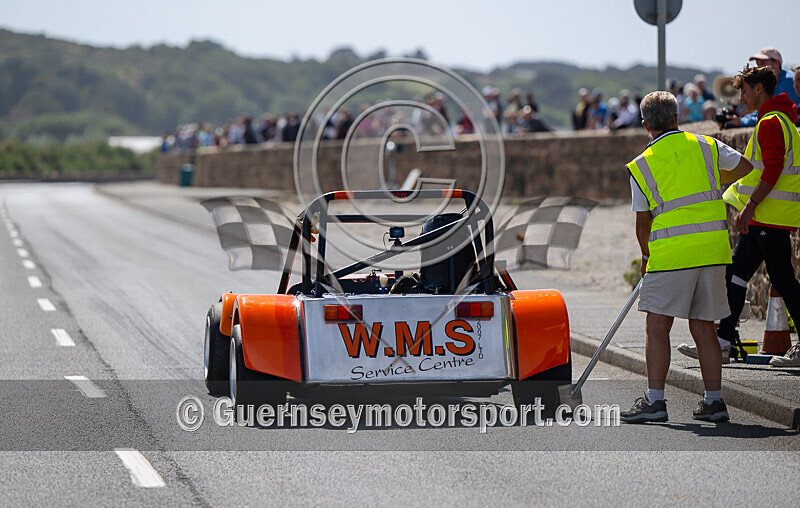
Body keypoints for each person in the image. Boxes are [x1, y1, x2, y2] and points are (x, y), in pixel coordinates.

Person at [620, 91, 754, 424]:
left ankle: (655, 401)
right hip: (712, 249)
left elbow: (642, 222)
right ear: (677, 117)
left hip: (671, 254)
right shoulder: (706, 145)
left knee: (657, 326)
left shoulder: (642, 164)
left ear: (645, 125)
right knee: (704, 328)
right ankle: (713, 402)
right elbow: (745, 167)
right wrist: (713, 180)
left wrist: (645, 256)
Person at [679, 66, 800, 368]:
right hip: (767, 217)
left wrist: (749, 207)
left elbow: (771, 170)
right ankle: (721, 342)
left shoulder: (771, 122)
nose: (742, 98)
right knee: (735, 275)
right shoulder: (782, 120)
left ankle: (722, 341)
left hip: (765, 216)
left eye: (745, 91)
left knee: (782, 280)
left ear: (759, 89)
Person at [723, 47, 800, 128]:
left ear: (777, 63)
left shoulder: (789, 81)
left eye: (763, 63)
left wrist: (741, 121)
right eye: (757, 64)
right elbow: (765, 109)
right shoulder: (777, 81)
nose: (759, 67)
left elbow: (773, 112)